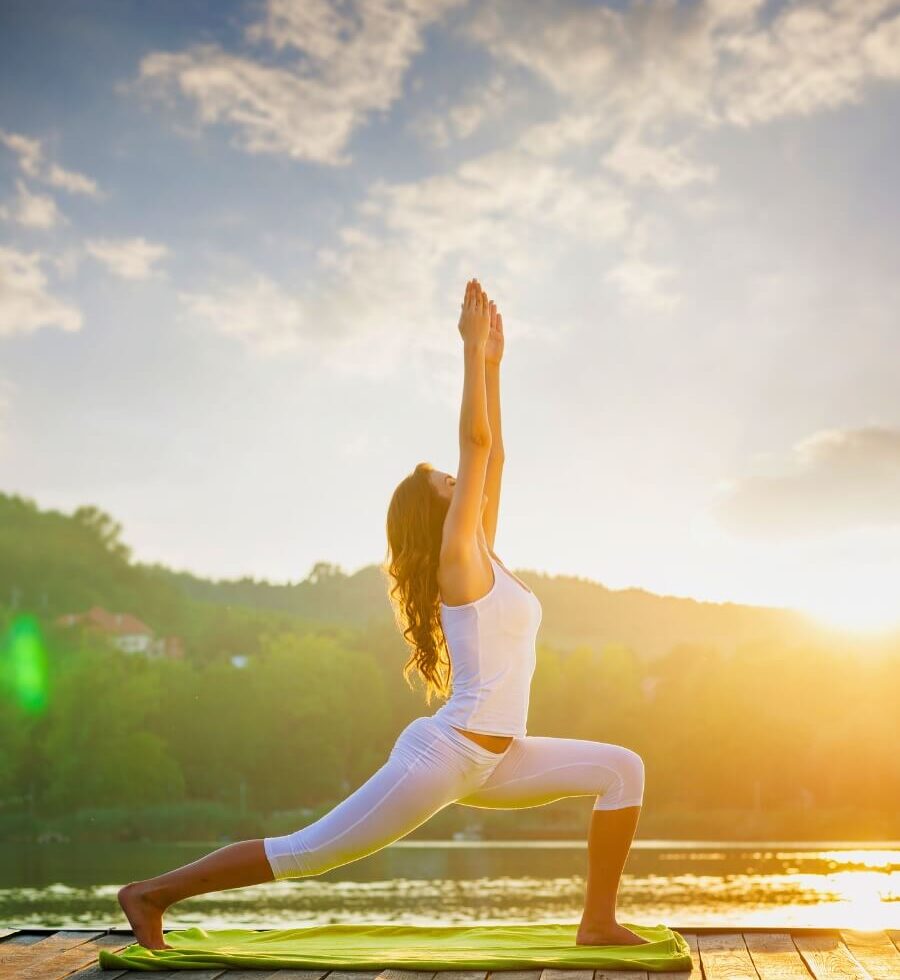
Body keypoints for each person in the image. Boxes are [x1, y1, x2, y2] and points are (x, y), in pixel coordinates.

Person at [117, 278, 649, 950]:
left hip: (500, 757)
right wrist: (466, 352)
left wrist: (494, 366)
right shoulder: (459, 561)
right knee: (308, 851)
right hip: (445, 755)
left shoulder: (486, 552)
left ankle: (596, 923)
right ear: (437, 515)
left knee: (622, 768)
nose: (463, 484)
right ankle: (150, 893)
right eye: (447, 484)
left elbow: (496, 454)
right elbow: (477, 446)